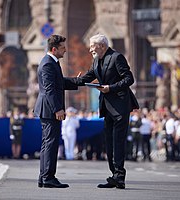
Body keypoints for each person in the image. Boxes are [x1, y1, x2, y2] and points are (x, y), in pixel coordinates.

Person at [69, 34, 139, 189]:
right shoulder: (96, 60)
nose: (89, 49)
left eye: (92, 46)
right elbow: (85, 78)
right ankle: (114, 175)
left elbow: (129, 79)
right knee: (109, 142)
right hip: (107, 108)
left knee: (118, 142)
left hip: (120, 107)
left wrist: (110, 88)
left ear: (101, 45)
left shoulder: (116, 57)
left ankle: (119, 176)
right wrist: (62, 81)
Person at [33, 34, 77, 188]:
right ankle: (48, 177)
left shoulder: (52, 62)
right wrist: (58, 109)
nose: (65, 50)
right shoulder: (47, 64)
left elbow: (59, 82)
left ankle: (44, 177)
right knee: (51, 144)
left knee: (48, 143)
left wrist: (79, 81)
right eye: (62, 48)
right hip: (49, 110)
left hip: (48, 109)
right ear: (54, 49)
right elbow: (50, 89)